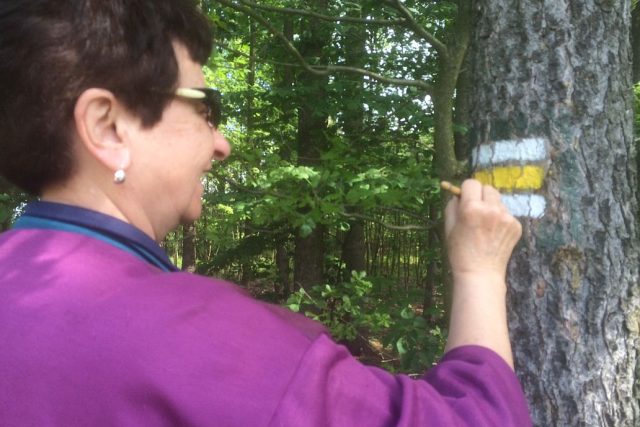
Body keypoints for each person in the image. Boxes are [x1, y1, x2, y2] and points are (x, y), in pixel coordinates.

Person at [0, 0, 531, 425]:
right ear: (108, 127)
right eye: (206, 108)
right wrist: (478, 270)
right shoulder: (209, 345)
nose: (222, 142)